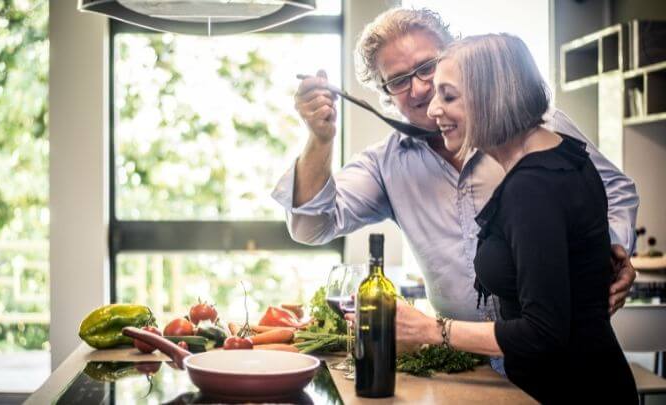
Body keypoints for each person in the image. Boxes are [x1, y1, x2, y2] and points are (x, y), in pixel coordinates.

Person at [271, 7, 638, 371]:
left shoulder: (534, 131)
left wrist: (602, 256)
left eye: (427, 67)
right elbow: (311, 226)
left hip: (560, 363)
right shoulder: (385, 164)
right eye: (398, 80)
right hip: (467, 362)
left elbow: (614, 191)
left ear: (454, 57)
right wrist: (320, 140)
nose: (419, 89)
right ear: (384, 92)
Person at [406, 32, 637, 403]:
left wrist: (432, 330)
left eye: (448, 96)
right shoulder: (567, 156)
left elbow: (543, 332)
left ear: (490, 97)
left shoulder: (531, 188)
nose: (433, 110)